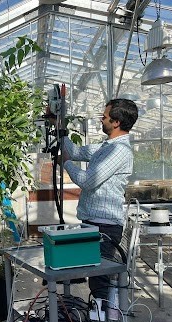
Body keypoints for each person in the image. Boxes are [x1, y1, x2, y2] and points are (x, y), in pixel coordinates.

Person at [62, 98, 139, 303]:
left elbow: (87, 181)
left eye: (104, 117)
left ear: (116, 122)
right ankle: (99, 320)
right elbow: (76, 151)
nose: (101, 120)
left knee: (100, 281)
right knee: (94, 277)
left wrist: (66, 164)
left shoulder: (120, 151)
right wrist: (59, 125)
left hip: (105, 226)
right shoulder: (107, 147)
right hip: (93, 223)